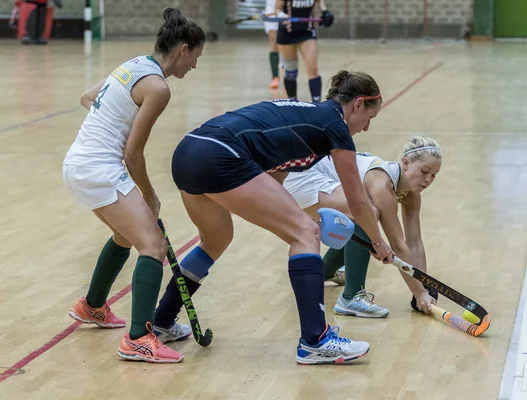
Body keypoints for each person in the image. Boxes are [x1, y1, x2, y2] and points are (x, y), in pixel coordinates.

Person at [153, 70, 394, 365]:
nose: (367, 127)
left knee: (217, 239)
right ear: (357, 104)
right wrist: (378, 243)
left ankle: (162, 321)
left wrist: (289, 223)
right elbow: (358, 202)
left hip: (189, 151)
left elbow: (273, 181)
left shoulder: (307, 117)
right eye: (369, 118)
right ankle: (315, 341)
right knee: (305, 234)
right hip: (219, 155)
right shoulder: (335, 126)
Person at [62, 8, 205, 364]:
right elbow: (134, 154)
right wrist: (150, 196)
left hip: (78, 163)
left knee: (126, 235)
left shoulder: (134, 64)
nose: (195, 66)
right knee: (153, 245)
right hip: (100, 169)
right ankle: (140, 339)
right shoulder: (158, 87)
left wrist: (108, 123)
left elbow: (87, 97)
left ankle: (92, 306)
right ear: (183, 49)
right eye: (196, 57)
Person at [283, 137, 442, 318]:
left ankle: (324, 271)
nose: (428, 179)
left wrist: (423, 285)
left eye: (434, 175)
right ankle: (351, 298)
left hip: (323, 181)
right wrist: (419, 293)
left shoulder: (411, 194)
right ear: (405, 163)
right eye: (424, 171)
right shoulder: (382, 185)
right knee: (367, 215)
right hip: (301, 177)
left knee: (365, 217)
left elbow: (414, 242)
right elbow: (398, 245)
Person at [276, 0, 334, 102]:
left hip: (307, 32)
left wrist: (325, 11)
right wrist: (282, 16)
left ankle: (316, 105)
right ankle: (292, 103)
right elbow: (277, 9)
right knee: (290, 71)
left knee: (313, 69)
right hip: (287, 32)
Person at [264, 0, 281, 89]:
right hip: (271, 11)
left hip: (286, 10)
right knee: (274, 45)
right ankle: (275, 77)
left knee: (286, 44)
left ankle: (287, 74)